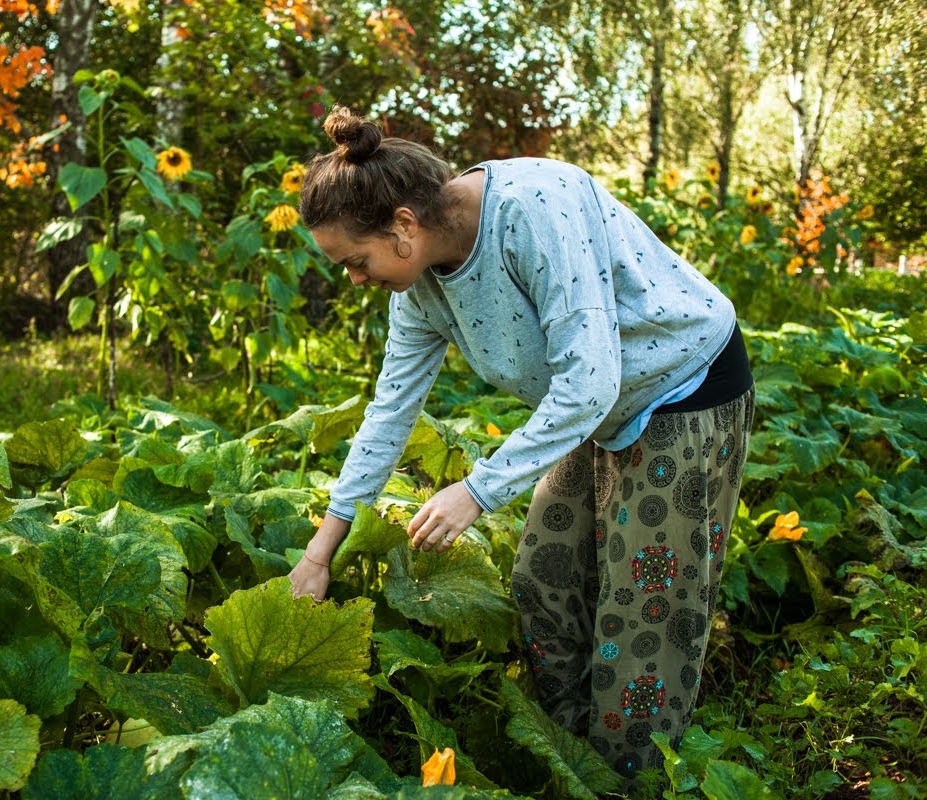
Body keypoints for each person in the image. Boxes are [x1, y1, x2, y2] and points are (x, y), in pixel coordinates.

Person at [287, 106, 755, 786]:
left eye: (355, 263)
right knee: (543, 579)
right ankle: (571, 765)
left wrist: (475, 492)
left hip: (682, 384)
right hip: (588, 408)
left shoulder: (536, 210)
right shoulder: (417, 293)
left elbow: (591, 380)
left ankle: (633, 779)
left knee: (644, 613)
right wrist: (318, 554)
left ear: (404, 227)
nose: (354, 281)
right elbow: (389, 415)